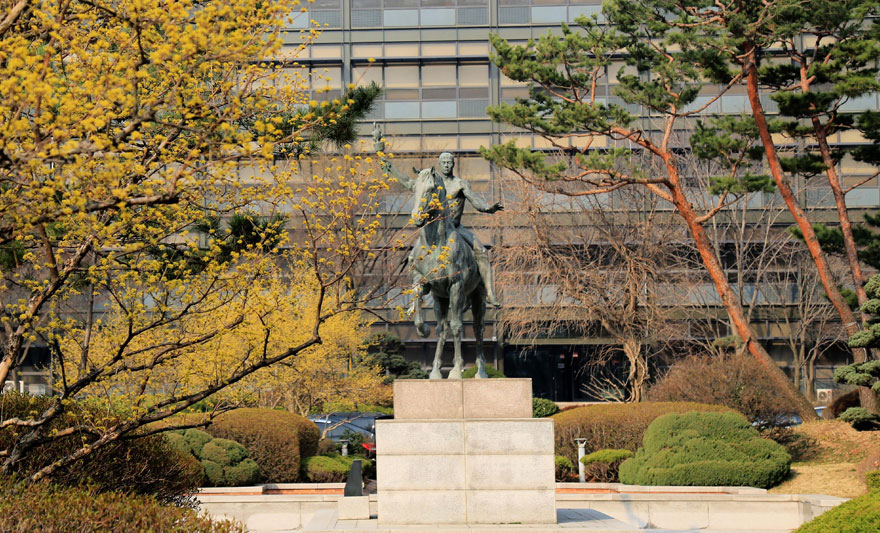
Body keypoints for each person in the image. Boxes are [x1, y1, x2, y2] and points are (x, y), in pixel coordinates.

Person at [373, 124, 503, 307]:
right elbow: (404, 180)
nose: (447, 165)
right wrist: (381, 154)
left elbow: (475, 201)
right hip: (434, 231)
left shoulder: (460, 184)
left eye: (450, 162)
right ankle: (416, 292)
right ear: (439, 165)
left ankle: (489, 292)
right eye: (444, 162)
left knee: (481, 251)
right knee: (413, 257)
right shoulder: (431, 184)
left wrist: (488, 208)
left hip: (455, 229)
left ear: (453, 164)